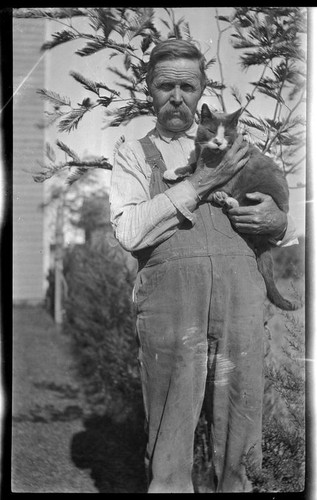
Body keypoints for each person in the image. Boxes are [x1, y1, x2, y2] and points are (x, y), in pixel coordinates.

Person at [109, 39, 297, 493]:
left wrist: (279, 220)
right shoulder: (133, 154)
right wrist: (201, 182)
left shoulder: (237, 145)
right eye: (165, 86)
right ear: (148, 89)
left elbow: (284, 230)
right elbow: (130, 231)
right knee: (170, 452)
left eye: (187, 87)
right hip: (172, 317)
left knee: (242, 450)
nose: (177, 97)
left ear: (202, 91)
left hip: (241, 313)